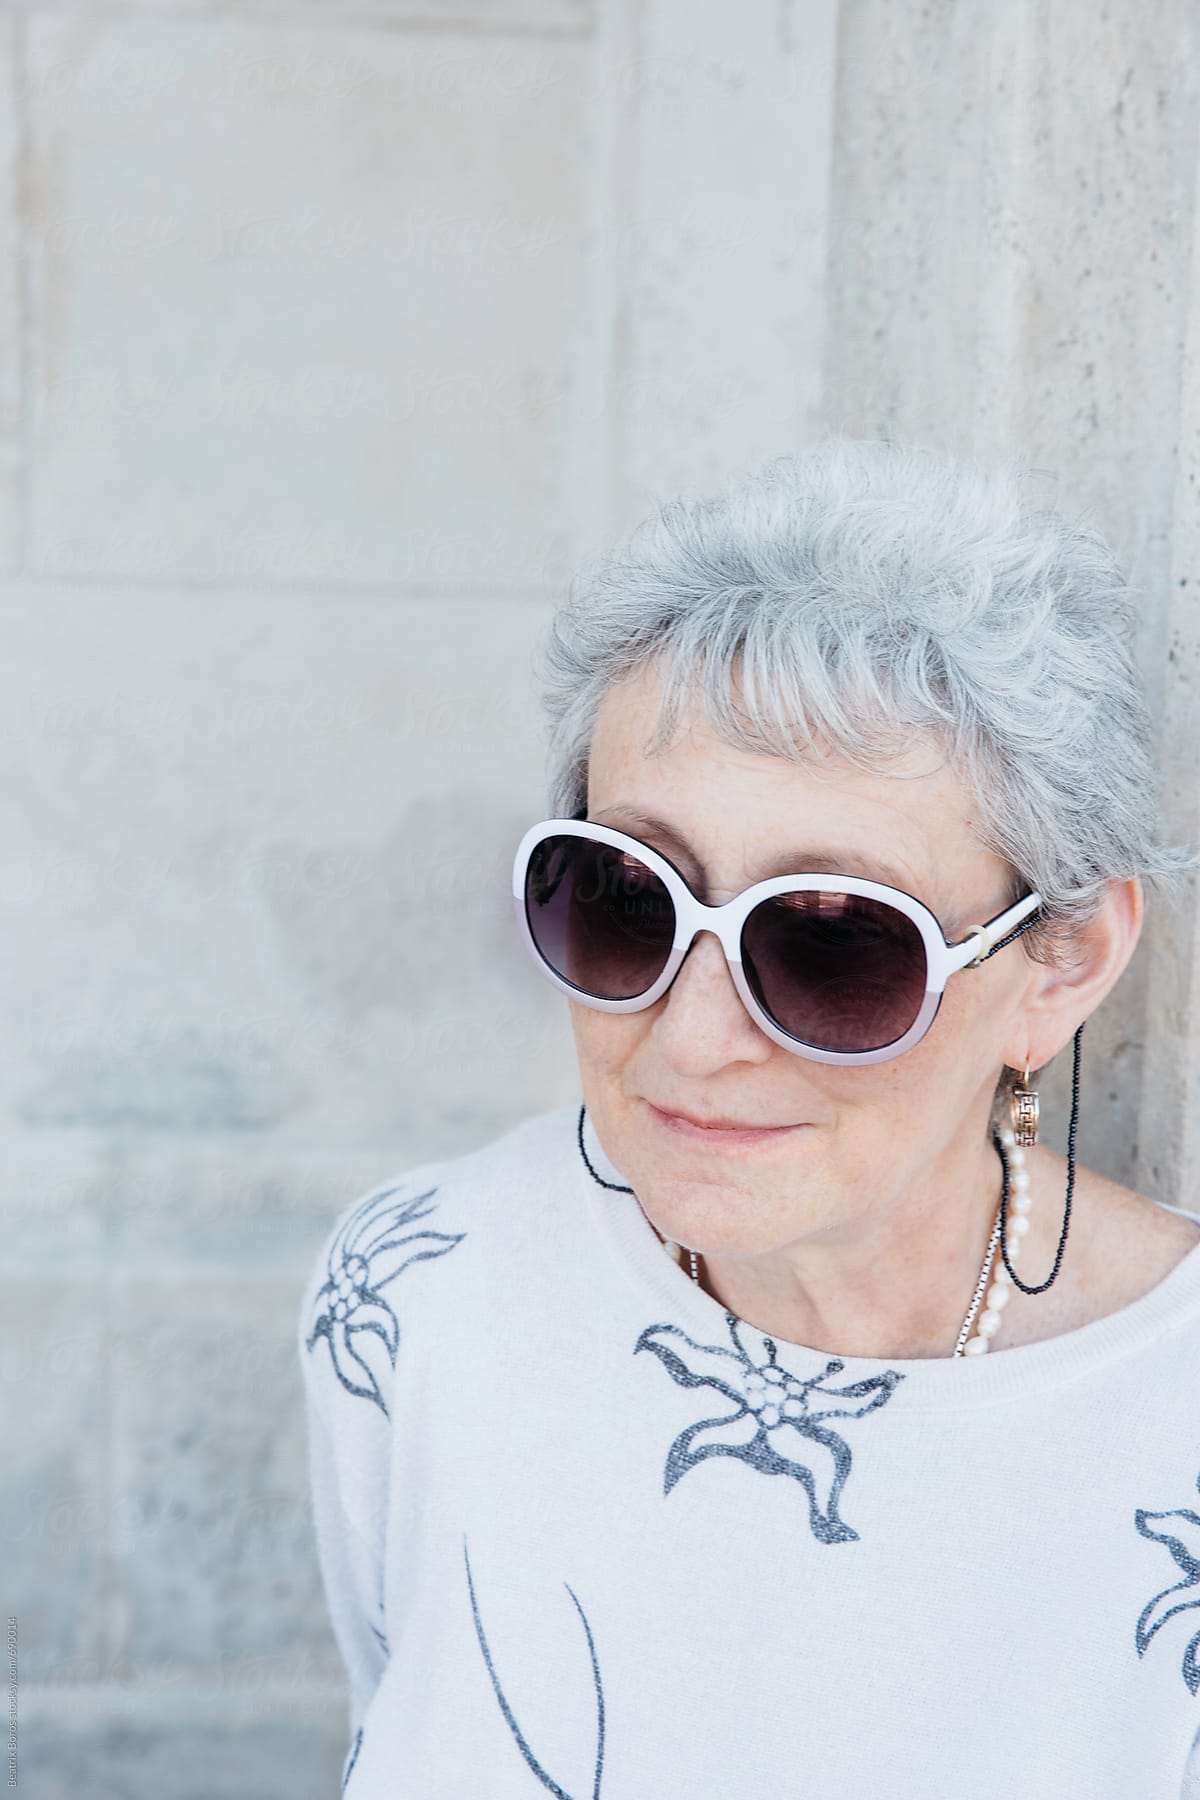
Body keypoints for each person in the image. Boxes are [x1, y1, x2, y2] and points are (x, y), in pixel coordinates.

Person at [298, 441, 1200, 1798]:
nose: (695, 1037)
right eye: (626, 895)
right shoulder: (424, 1286)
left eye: (836, 939)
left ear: (1060, 965)